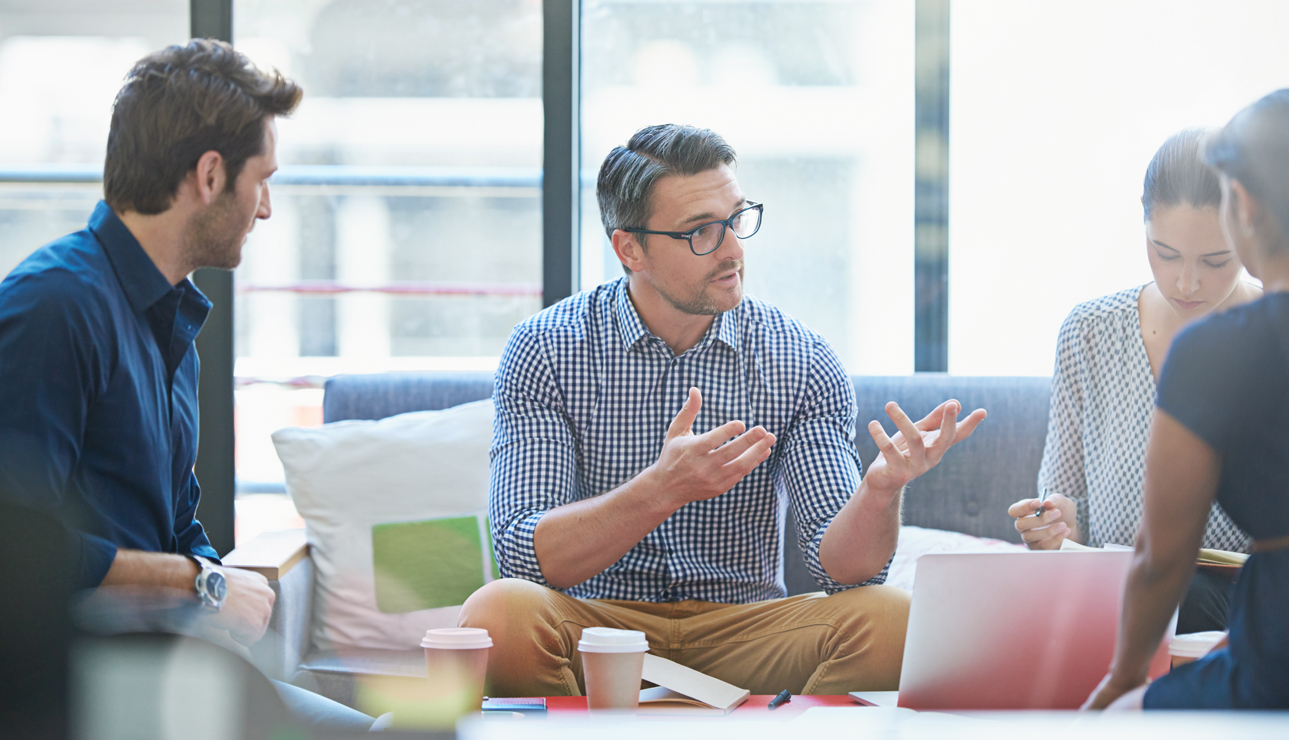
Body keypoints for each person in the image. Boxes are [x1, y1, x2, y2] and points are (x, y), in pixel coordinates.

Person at [458, 124, 986, 697]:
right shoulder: (547, 348)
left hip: (745, 628)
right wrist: (662, 488)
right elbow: (523, 554)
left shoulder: (798, 356)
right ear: (629, 248)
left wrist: (879, 492)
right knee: (498, 613)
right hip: (598, 628)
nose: (733, 248)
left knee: (890, 617)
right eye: (700, 232)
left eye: (736, 219)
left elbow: (846, 573)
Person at [0, 40, 372, 730]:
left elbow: (173, 523)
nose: (264, 209)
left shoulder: (169, 319)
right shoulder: (53, 307)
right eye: (262, 179)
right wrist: (198, 582)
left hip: (161, 667)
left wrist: (206, 570)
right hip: (81, 684)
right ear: (209, 175)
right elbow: (15, 552)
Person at [1086, 88, 1289, 710]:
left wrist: (1122, 682)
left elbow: (1162, 560)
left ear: (1242, 204)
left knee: (1119, 718)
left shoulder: (1216, 352)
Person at [1009, 129, 1260, 633]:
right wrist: (1058, 524)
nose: (1187, 283)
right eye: (1166, 254)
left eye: (1215, 261)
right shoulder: (1090, 334)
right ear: (1143, 225)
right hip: (1118, 603)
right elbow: (1067, 505)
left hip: (1256, 612)